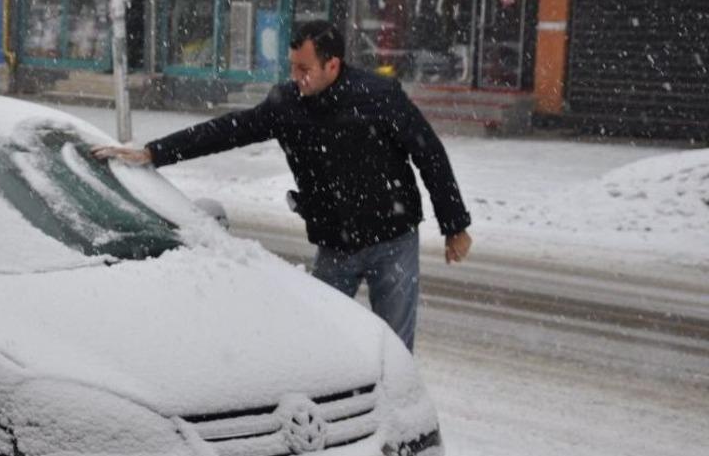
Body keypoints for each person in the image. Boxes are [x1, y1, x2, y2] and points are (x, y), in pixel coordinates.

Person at [93, 20, 472, 351]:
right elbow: (229, 130)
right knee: (320, 342)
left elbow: (430, 154)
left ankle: (397, 425)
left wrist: (455, 225)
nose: (296, 76)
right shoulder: (288, 104)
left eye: (304, 68)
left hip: (393, 242)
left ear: (333, 65)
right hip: (335, 245)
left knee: (394, 350)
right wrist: (155, 152)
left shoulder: (380, 97)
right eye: (292, 66)